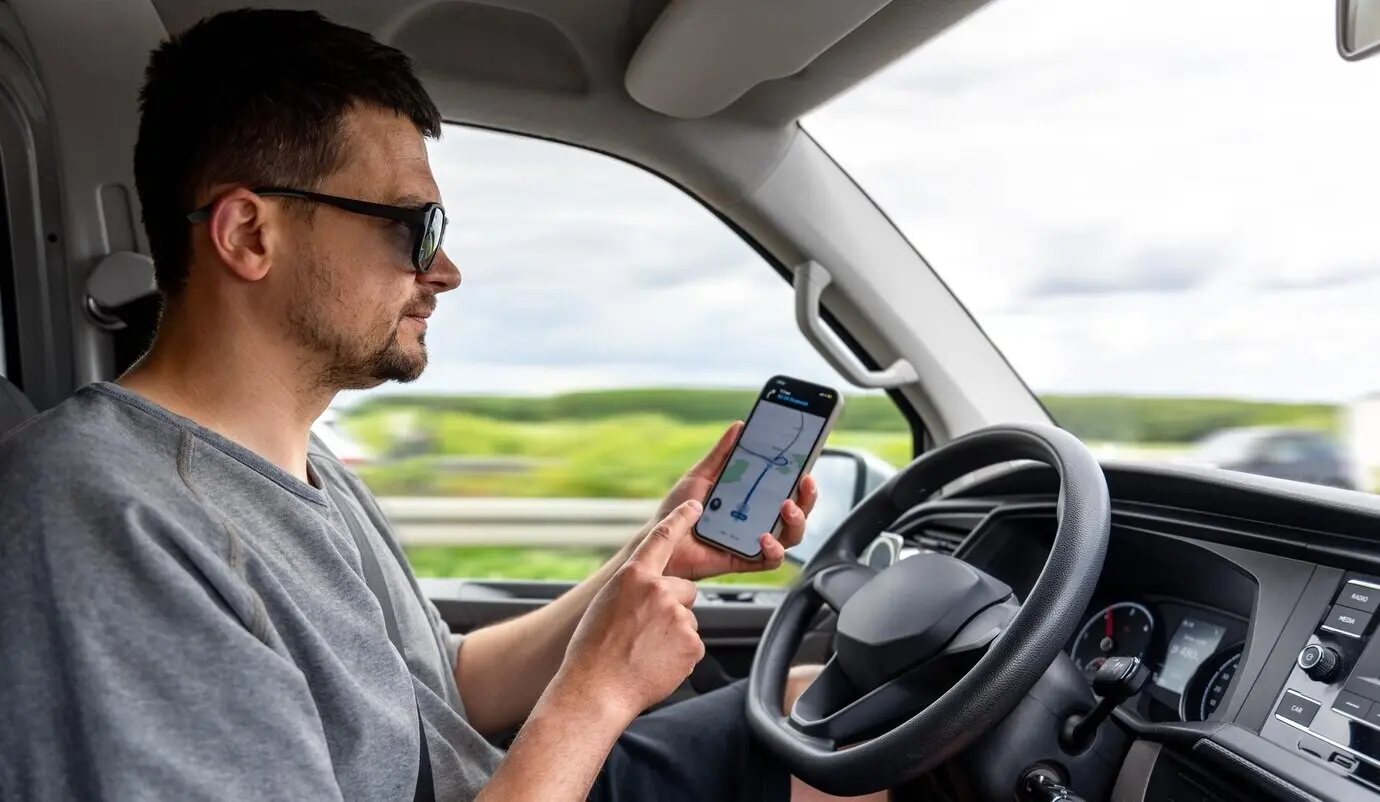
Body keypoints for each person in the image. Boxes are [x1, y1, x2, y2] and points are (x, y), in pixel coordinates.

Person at [0, 9, 881, 801]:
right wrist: (599, 691)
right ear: (249, 234)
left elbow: (440, 686)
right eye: (412, 228)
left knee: (843, 719)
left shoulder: (294, 464)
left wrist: (656, 558)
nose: (445, 271)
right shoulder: (108, 519)